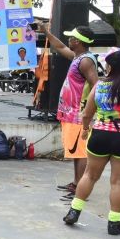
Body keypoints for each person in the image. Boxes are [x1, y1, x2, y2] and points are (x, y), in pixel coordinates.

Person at [63, 49, 120, 235]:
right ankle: (114, 224)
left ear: (110, 66)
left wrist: (84, 130)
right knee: (119, 182)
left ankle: (74, 212)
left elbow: (87, 114)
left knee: (89, 176)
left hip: (100, 136)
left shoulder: (99, 85)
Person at [46, 25, 98, 198]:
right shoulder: (78, 57)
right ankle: (76, 183)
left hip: (78, 113)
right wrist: (46, 32)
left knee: (81, 151)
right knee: (75, 150)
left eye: (71, 38)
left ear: (78, 41)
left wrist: (88, 112)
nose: (69, 40)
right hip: (71, 112)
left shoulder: (85, 61)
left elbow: (95, 85)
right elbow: (60, 47)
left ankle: (80, 189)